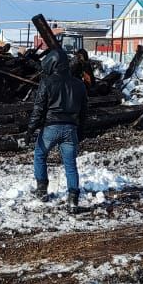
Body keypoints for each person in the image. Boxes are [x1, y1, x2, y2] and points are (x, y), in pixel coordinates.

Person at [28, 48, 88, 208]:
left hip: (51, 127)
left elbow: (38, 109)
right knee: (70, 164)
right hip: (70, 129)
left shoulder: (47, 82)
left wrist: (30, 130)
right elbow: (84, 113)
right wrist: (81, 132)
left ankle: (41, 191)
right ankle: (73, 200)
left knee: (40, 155)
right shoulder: (79, 84)